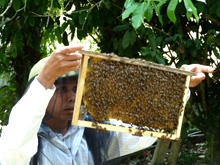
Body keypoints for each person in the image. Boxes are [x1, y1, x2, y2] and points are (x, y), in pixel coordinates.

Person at [0, 45, 214, 165]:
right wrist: (45, 78)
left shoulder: (91, 133)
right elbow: (11, 153)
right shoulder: (24, 142)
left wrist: (179, 86)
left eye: (76, 89)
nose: (71, 97)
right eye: (59, 89)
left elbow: (145, 132)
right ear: (41, 94)